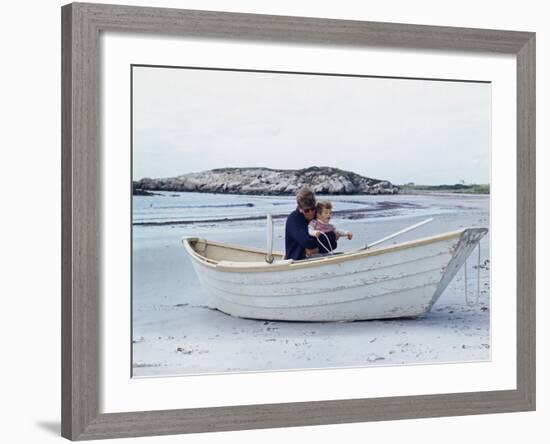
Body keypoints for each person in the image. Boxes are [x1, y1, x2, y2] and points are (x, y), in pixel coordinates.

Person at [284, 187, 338, 260]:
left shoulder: (316, 216)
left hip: (317, 258)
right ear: (300, 209)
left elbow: (333, 244)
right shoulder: (293, 220)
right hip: (297, 260)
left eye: (313, 209)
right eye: (307, 210)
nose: (311, 213)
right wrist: (329, 236)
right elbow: (308, 242)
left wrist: (317, 249)